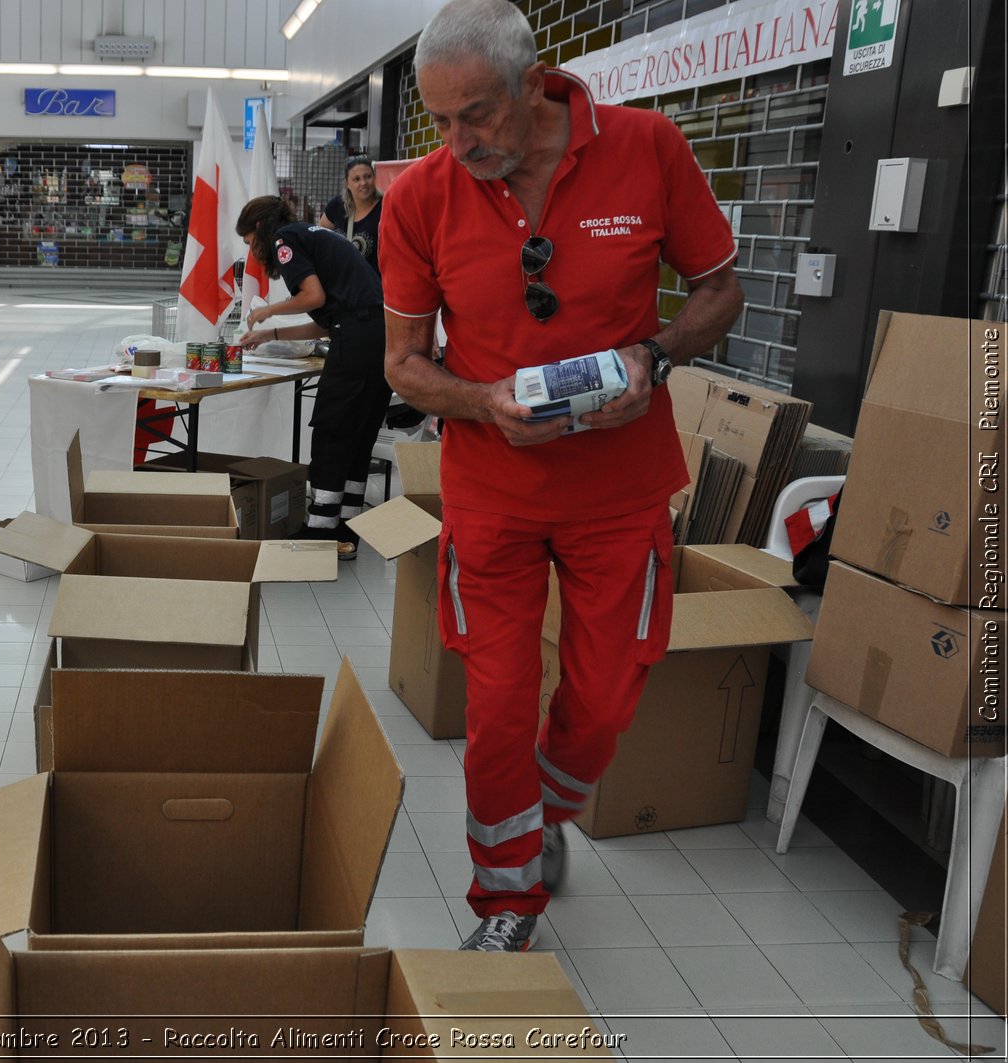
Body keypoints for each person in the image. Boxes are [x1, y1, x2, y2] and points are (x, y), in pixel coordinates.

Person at [379, 0, 743, 952]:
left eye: (478, 116)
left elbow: (719, 290)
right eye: (439, 121)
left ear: (533, 84)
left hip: (621, 493)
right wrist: (483, 401)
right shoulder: (420, 197)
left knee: (609, 688)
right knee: (496, 710)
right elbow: (404, 363)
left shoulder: (646, 148)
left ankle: (544, 814)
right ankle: (507, 905)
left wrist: (654, 359)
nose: (458, 142)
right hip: (492, 496)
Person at [236, 195, 393, 560]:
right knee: (358, 432)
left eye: (248, 244)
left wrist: (267, 312)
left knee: (332, 428)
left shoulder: (285, 239)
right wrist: (270, 335)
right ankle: (347, 530)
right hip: (379, 335)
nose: (252, 253)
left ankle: (320, 530)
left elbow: (313, 295)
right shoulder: (319, 235)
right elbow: (325, 321)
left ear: (259, 229)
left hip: (356, 338)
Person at [317, 154, 383, 272]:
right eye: (356, 179)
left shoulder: (385, 207)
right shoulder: (337, 205)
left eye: (368, 176)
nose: (363, 183)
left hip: (373, 285)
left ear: (375, 177)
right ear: (347, 183)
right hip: (340, 285)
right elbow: (320, 237)